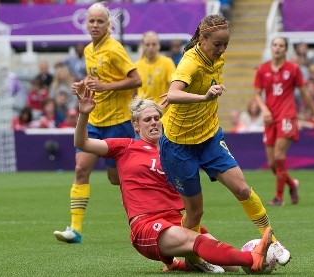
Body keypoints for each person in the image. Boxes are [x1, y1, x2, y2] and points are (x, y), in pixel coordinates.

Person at [62, 88, 274, 274]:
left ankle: (182, 266)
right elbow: (82, 143)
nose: (154, 122)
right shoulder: (125, 146)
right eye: (147, 119)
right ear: (135, 125)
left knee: (231, 267)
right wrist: (84, 114)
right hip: (146, 225)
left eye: (156, 117)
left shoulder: (175, 151)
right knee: (196, 243)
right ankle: (253, 259)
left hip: (178, 220)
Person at [159, 14, 291, 269]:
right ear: (202, 38)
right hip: (178, 144)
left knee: (242, 188)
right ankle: (193, 260)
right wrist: (204, 97)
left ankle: (272, 241)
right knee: (195, 212)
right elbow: (174, 94)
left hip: (208, 137)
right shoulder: (189, 63)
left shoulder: (216, 58)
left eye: (226, 45)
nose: (222, 50)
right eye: (217, 44)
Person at [53, 2, 142, 243]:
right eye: (91, 21)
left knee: (117, 178)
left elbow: (136, 79)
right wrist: (81, 85)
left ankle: (141, 219)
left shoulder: (114, 49)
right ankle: (75, 230)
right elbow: (95, 79)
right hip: (94, 121)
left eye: (99, 21)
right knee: (81, 168)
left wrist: (106, 87)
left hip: (118, 123)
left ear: (108, 25)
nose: (94, 25)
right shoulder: (89, 50)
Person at [253, 37, 314, 206]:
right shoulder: (262, 70)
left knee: (279, 155)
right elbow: (257, 94)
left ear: (286, 50)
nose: (278, 48)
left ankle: (279, 197)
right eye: (275, 45)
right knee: (272, 163)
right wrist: (264, 110)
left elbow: (305, 93)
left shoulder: (293, 69)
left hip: (287, 116)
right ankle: (292, 184)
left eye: (281, 46)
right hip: (270, 117)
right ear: (271, 48)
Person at [132, 31, 176, 110]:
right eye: (147, 45)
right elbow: (133, 93)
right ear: (143, 46)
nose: (151, 47)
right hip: (143, 112)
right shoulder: (136, 66)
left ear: (159, 46)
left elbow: (174, 88)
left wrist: (160, 106)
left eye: (154, 44)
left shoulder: (167, 62)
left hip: (163, 111)